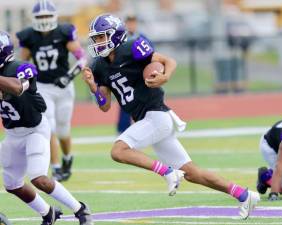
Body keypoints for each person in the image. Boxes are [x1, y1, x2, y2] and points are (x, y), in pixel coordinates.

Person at [82, 14, 260, 219]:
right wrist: (92, 86)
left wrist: (165, 76)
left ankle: (167, 172)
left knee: (119, 150)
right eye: (95, 38)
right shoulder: (98, 66)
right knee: (193, 173)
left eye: (101, 37)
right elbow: (104, 105)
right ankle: (245, 195)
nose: (97, 42)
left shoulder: (131, 47)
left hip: (156, 115)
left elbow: (168, 60)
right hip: (148, 121)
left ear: (115, 35)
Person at [0, 31, 93, 225]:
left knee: (39, 178)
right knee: (12, 185)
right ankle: (48, 212)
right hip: (12, 133)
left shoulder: (20, 67)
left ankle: (80, 209)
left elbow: (17, 88)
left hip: (35, 129)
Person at [16, 0, 87, 182]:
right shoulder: (29, 36)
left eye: (47, 15)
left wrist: (68, 77)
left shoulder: (64, 32)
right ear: (34, 19)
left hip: (63, 87)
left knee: (63, 130)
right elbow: (21, 64)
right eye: (41, 16)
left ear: (54, 16)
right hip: (43, 87)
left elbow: (82, 59)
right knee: (49, 126)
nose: (44, 19)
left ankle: (67, 157)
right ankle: (55, 167)